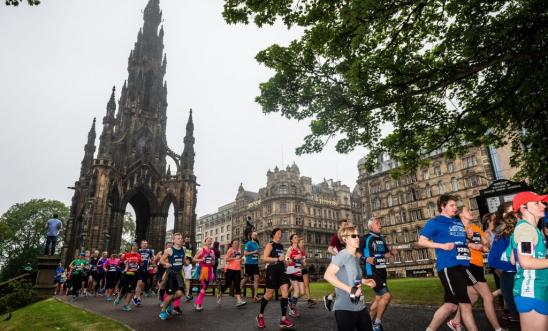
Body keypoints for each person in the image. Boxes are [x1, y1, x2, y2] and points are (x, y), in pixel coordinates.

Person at [417, 194, 479, 331]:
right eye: (452, 205)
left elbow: (460, 241)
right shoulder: (435, 222)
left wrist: (470, 241)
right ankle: (457, 324)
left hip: (464, 265)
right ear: (442, 207)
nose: (455, 208)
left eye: (455, 205)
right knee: (465, 304)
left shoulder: (457, 222)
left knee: (453, 304)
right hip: (449, 266)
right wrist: (442, 246)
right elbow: (421, 241)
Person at [447, 207, 505, 331]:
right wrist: (470, 243)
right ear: (461, 214)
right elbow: (455, 242)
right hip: (468, 265)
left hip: (478, 265)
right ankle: (498, 329)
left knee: (472, 297)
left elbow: (486, 246)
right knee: (488, 297)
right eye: (467, 210)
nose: (471, 211)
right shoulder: (457, 227)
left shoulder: (475, 228)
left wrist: (483, 245)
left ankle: (455, 321)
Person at [504, 191, 548, 331]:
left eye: (542, 202)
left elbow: (512, 260)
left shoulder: (530, 229)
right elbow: (526, 262)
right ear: (523, 208)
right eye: (536, 203)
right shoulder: (525, 229)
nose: (542, 206)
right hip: (532, 291)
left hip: (534, 290)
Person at [324, 225, 377, 331]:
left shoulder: (354, 257)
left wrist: (364, 281)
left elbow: (352, 278)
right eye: (353, 236)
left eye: (358, 235)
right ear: (345, 239)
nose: (357, 238)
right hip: (345, 308)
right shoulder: (343, 254)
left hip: (360, 306)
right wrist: (350, 290)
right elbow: (328, 275)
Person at [359, 217, 398, 331]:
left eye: (380, 223)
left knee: (378, 298)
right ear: (371, 226)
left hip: (382, 271)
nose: (380, 225)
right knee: (387, 296)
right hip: (371, 272)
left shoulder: (381, 239)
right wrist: (366, 259)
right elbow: (356, 252)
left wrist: (391, 253)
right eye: (377, 223)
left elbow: (384, 255)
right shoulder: (365, 238)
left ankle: (366, 325)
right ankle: (377, 323)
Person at [256, 228, 295, 329]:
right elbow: (264, 258)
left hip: (282, 271)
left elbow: (282, 259)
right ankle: (260, 316)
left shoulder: (281, 246)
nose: (280, 235)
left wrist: (286, 262)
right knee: (268, 295)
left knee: (285, 293)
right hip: (272, 271)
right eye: (278, 233)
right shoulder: (270, 245)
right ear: (273, 235)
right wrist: (277, 259)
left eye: (281, 233)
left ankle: (283, 319)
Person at [488, 205, 519, 323]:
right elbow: (492, 260)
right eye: (512, 210)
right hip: (511, 277)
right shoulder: (503, 234)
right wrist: (516, 267)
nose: (515, 213)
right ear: (504, 216)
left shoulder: (524, 229)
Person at [159, 233, 186, 320]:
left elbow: (183, 260)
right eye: (178, 238)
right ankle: (163, 312)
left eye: (181, 238)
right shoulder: (169, 250)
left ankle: (168, 303)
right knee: (170, 295)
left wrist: (185, 262)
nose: (181, 240)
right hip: (171, 274)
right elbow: (161, 260)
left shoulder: (183, 249)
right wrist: (166, 263)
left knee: (180, 293)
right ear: (174, 240)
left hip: (179, 274)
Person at [324, 219, 349, 311]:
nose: (346, 226)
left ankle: (330, 297)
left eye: (347, 225)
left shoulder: (347, 237)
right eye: (344, 225)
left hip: (345, 262)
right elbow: (329, 249)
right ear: (340, 226)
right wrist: (339, 255)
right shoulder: (336, 236)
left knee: (345, 282)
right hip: (338, 262)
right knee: (343, 282)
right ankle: (340, 305)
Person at [218, 239, 247, 307]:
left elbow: (238, 260)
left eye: (237, 243)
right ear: (232, 244)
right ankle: (220, 292)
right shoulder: (230, 250)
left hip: (237, 269)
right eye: (235, 243)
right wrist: (234, 258)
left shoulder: (239, 250)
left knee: (237, 284)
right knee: (227, 284)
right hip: (230, 269)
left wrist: (241, 260)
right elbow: (226, 259)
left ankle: (239, 301)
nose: (236, 244)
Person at [114, 242, 142, 311]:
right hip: (127, 274)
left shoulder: (138, 255)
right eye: (134, 246)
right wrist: (124, 262)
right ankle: (118, 298)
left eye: (136, 246)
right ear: (131, 247)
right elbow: (119, 263)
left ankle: (126, 305)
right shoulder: (126, 255)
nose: (135, 247)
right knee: (124, 289)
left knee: (131, 291)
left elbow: (140, 264)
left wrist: (140, 264)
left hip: (134, 274)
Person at [192, 237, 216, 311]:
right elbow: (193, 259)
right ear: (204, 242)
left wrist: (213, 259)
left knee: (205, 287)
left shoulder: (212, 251)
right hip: (203, 270)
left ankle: (197, 303)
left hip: (209, 270)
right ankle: (198, 304)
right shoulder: (201, 250)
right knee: (204, 286)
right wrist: (201, 259)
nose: (210, 242)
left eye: (211, 241)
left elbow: (213, 264)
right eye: (208, 241)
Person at [286, 234, 305, 318]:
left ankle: (291, 301)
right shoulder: (290, 249)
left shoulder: (299, 250)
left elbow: (301, 261)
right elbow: (286, 259)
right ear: (292, 240)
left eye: (297, 237)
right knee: (296, 291)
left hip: (299, 271)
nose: (297, 239)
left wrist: (302, 262)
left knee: (302, 292)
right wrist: (293, 259)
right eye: (295, 238)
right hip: (292, 270)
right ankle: (292, 310)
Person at [241, 231, 261, 301]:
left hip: (255, 264)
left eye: (256, 235)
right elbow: (245, 253)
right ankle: (238, 291)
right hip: (249, 264)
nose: (255, 236)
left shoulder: (257, 244)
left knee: (256, 279)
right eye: (254, 235)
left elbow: (258, 252)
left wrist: (259, 254)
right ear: (251, 236)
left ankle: (255, 296)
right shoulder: (248, 243)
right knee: (246, 279)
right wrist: (254, 252)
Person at [134, 240, 154, 306]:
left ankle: (135, 296)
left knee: (142, 284)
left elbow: (152, 260)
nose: (145, 245)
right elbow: (135, 259)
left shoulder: (149, 251)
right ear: (141, 245)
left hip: (146, 270)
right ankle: (138, 298)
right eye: (143, 244)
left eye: (146, 244)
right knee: (139, 283)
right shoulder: (138, 251)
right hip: (139, 269)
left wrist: (153, 262)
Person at [298, 238, 316, 307]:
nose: (303, 244)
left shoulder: (304, 251)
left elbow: (305, 260)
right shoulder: (297, 250)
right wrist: (302, 263)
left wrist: (306, 263)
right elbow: (295, 260)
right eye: (302, 242)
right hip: (298, 270)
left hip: (304, 269)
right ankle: (287, 295)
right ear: (298, 243)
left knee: (307, 284)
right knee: (293, 287)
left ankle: (309, 300)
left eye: (303, 242)